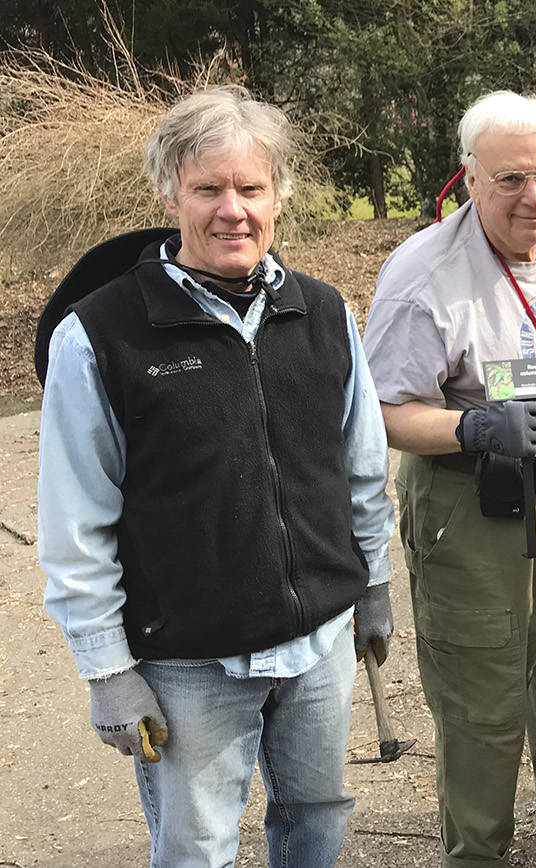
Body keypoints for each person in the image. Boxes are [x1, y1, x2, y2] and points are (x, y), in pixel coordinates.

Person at [37, 85, 395, 868]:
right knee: (196, 846)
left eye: (250, 188)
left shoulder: (326, 313)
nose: (232, 210)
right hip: (187, 661)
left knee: (318, 817)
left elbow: (362, 468)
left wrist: (372, 583)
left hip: (321, 644)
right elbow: (76, 519)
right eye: (208, 189)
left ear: (280, 196)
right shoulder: (100, 335)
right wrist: (107, 669)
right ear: (168, 193)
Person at [362, 90, 536, 868]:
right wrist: (470, 425)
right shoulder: (425, 273)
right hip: (474, 506)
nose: (534, 197)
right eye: (511, 180)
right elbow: (382, 409)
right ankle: (479, 852)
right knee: (484, 698)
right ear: (470, 179)